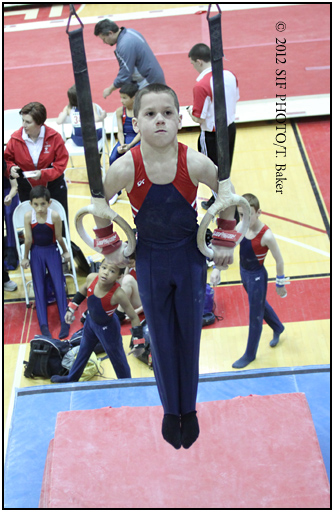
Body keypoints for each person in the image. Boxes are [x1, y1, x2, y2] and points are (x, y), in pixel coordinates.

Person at [94, 84, 239, 450]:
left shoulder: (195, 162)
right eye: (150, 114)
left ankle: (187, 410)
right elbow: (99, 206)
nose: (159, 119)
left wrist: (224, 238)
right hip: (150, 260)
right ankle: (168, 408)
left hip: (189, 259)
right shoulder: (125, 167)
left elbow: (229, 195)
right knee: (159, 338)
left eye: (167, 113)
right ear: (134, 121)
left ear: (180, 119)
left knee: (189, 336)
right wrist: (111, 246)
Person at [211, 193, 286, 369]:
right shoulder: (241, 227)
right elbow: (228, 248)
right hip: (244, 275)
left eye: (249, 215)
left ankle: (250, 354)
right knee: (259, 305)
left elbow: (279, 260)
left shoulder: (266, 235)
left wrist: (280, 283)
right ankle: (278, 327)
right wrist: (217, 269)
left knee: (255, 316)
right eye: (242, 214)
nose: (245, 219)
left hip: (258, 277)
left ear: (259, 212)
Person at [51, 260, 144, 383]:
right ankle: (72, 377)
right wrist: (71, 309)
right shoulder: (91, 278)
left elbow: (134, 317)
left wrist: (139, 343)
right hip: (90, 323)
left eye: (112, 271)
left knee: (118, 359)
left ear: (119, 276)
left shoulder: (118, 294)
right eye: (104, 267)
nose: (105, 273)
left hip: (108, 330)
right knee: (83, 351)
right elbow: (83, 291)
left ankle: (126, 384)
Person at [187, 43, 239, 210]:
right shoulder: (230, 75)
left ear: (199, 61)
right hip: (230, 128)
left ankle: (226, 209)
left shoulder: (201, 85)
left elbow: (198, 118)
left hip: (212, 135)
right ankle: (218, 201)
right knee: (225, 170)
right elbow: (235, 98)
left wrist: (189, 110)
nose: (193, 67)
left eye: (193, 63)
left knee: (212, 173)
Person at [4, 102, 69, 221]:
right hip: (27, 190)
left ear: (39, 123)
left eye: (28, 122)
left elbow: (61, 164)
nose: (23, 125)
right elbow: (7, 160)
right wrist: (10, 168)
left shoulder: (54, 138)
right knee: (33, 228)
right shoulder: (15, 139)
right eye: (23, 120)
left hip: (53, 187)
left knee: (60, 224)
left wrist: (43, 174)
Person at [21, 186, 70, 339]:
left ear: (49, 203)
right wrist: (25, 257)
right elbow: (28, 240)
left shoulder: (54, 216)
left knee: (58, 284)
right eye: (36, 204)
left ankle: (65, 320)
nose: (40, 208)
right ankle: (43, 324)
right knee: (39, 286)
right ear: (31, 204)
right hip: (36, 252)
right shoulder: (29, 217)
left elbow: (59, 237)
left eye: (43, 204)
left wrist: (66, 251)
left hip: (52, 250)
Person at [94, 19, 166, 99]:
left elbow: (125, 74)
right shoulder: (130, 32)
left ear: (110, 33)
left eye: (104, 39)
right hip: (155, 76)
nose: (104, 42)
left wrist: (110, 89)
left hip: (148, 82)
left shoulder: (124, 45)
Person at [109, 83, 141, 205]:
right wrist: (122, 145)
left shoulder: (141, 110)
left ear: (134, 97)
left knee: (135, 157)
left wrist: (130, 146)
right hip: (125, 139)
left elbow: (142, 132)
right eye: (121, 97)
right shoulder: (119, 112)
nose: (121, 101)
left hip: (137, 139)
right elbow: (120, 131)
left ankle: (137, 187)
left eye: (124, 98)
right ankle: (116, 191)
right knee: (113, 157)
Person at [56, 84, 107, 148]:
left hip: (76, 141)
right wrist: (103, 116)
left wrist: (62, 114)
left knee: (74, 132)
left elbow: (59, 121)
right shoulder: (91, 106)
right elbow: (96, 119)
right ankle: (98, 155)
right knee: (102, 130)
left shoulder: (68, 108)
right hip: (90, 139)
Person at [4, 158, 19, 270]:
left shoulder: (5, 162)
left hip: (8, 191)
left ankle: (12, 249)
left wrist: (10, 196)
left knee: (9, 214)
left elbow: (14, 186)